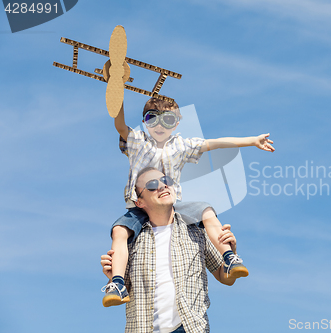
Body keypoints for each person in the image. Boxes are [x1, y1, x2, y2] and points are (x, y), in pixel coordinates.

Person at [102, 97, 275, 307]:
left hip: (172, 205)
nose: (159, 125)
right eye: (152, 119)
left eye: (167, 120)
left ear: (176, 123)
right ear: (145, 122)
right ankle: (117, 283)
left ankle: (229, 258)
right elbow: (119, 124)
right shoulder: (139, 142)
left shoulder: (181, 145)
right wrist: (117, 91)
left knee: (206, 210)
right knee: (120, 231)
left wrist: (251, 140)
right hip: (140, 206)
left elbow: (214, 143)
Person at [101, 167, 239, 333]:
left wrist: (232, 254)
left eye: (166, 181)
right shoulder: (131, 240)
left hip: (189, 328)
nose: (162, 186)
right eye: (152, 185)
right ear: (140, 202)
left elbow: (226, 279)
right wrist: (112, 278)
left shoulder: (197, 231)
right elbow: (125, 293)